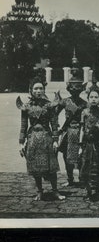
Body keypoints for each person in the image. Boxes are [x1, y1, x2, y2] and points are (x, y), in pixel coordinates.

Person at [17, 69, 65, 201]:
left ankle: (55, 191)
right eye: (35, 88)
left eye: (41, 88)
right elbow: (23, 126)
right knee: (36, 168)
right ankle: (39, 191)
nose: (38, 91)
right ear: (31, 90)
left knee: (51, 167)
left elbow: (54, 124)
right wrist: (21, 143)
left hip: (47, 139)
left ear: (44, 90)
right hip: (32, 139)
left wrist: (55, 140)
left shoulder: (49, 106)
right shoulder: (25, 107)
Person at [56, 57, 87, 187]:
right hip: (68, 131)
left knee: (80, 156)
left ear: (82, 88)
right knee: (67, 157)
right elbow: (54, 113)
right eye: (72, 87)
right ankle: (70, 179)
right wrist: (56, 125)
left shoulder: (84, 104)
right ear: (69, 88)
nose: (75, 89)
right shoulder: (65, 101)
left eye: (78, 87)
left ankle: (80, 178)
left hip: (80, 132)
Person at [78, 83, 99, 200]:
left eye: (96, 97)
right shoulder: (84, 112)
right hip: (88, 144)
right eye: (91, 97)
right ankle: (88, 191)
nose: (93, 99)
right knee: (86, 166)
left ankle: (97, 191)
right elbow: (82, 129)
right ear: (88, 98)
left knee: (98, 167)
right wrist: (80, 145)